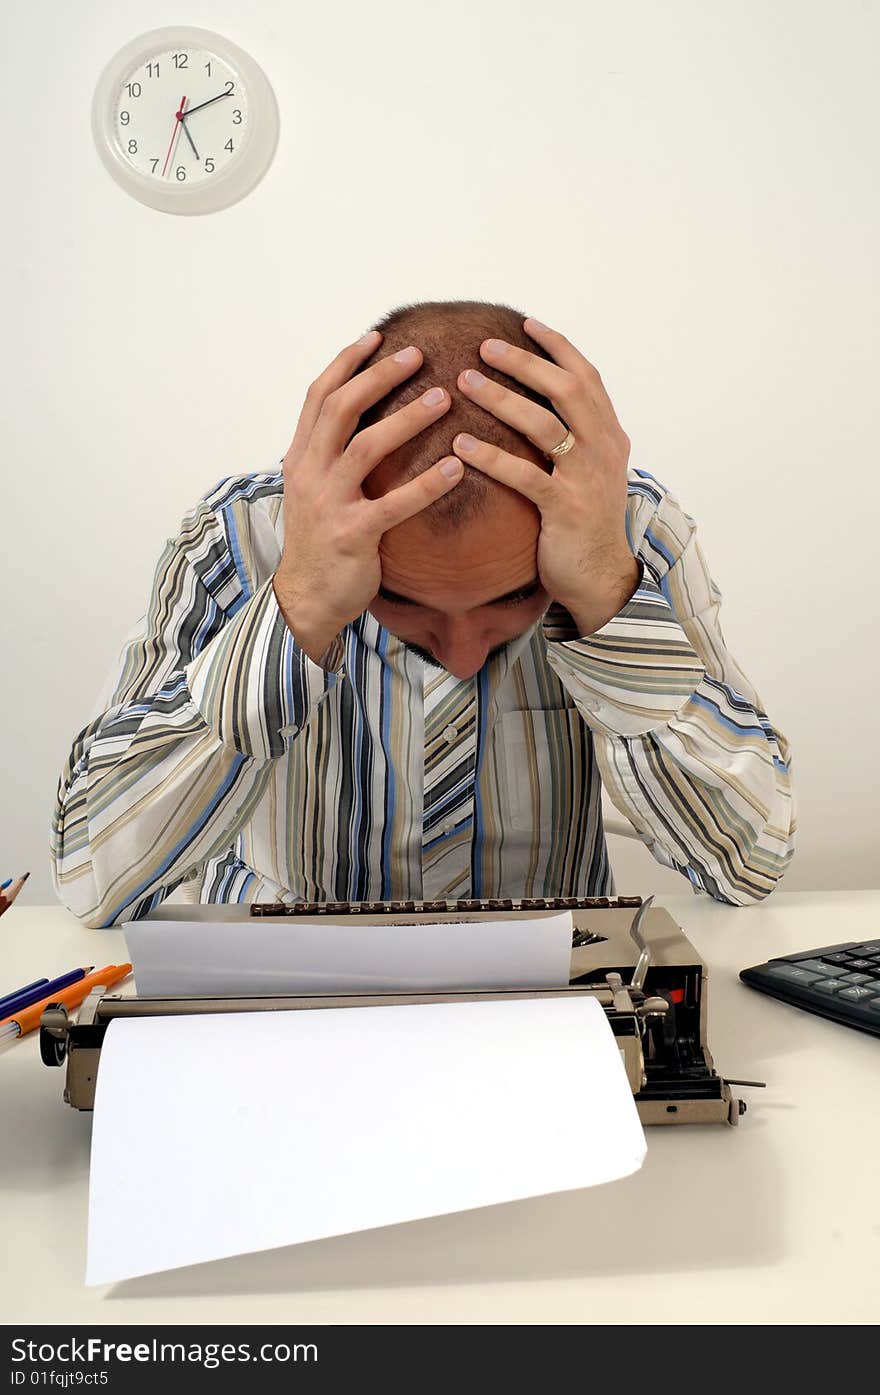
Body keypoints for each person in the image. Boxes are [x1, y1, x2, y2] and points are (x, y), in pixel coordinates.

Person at [52, 300, 795, 927]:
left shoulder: (628, 535)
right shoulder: (236, 539)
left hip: (543, 1021)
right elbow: (90, 878)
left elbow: (750, 864)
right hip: (274, 1007)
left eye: (513, 600)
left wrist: (604, 591)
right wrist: (300, 602)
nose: (464, 655)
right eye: (402, 600)